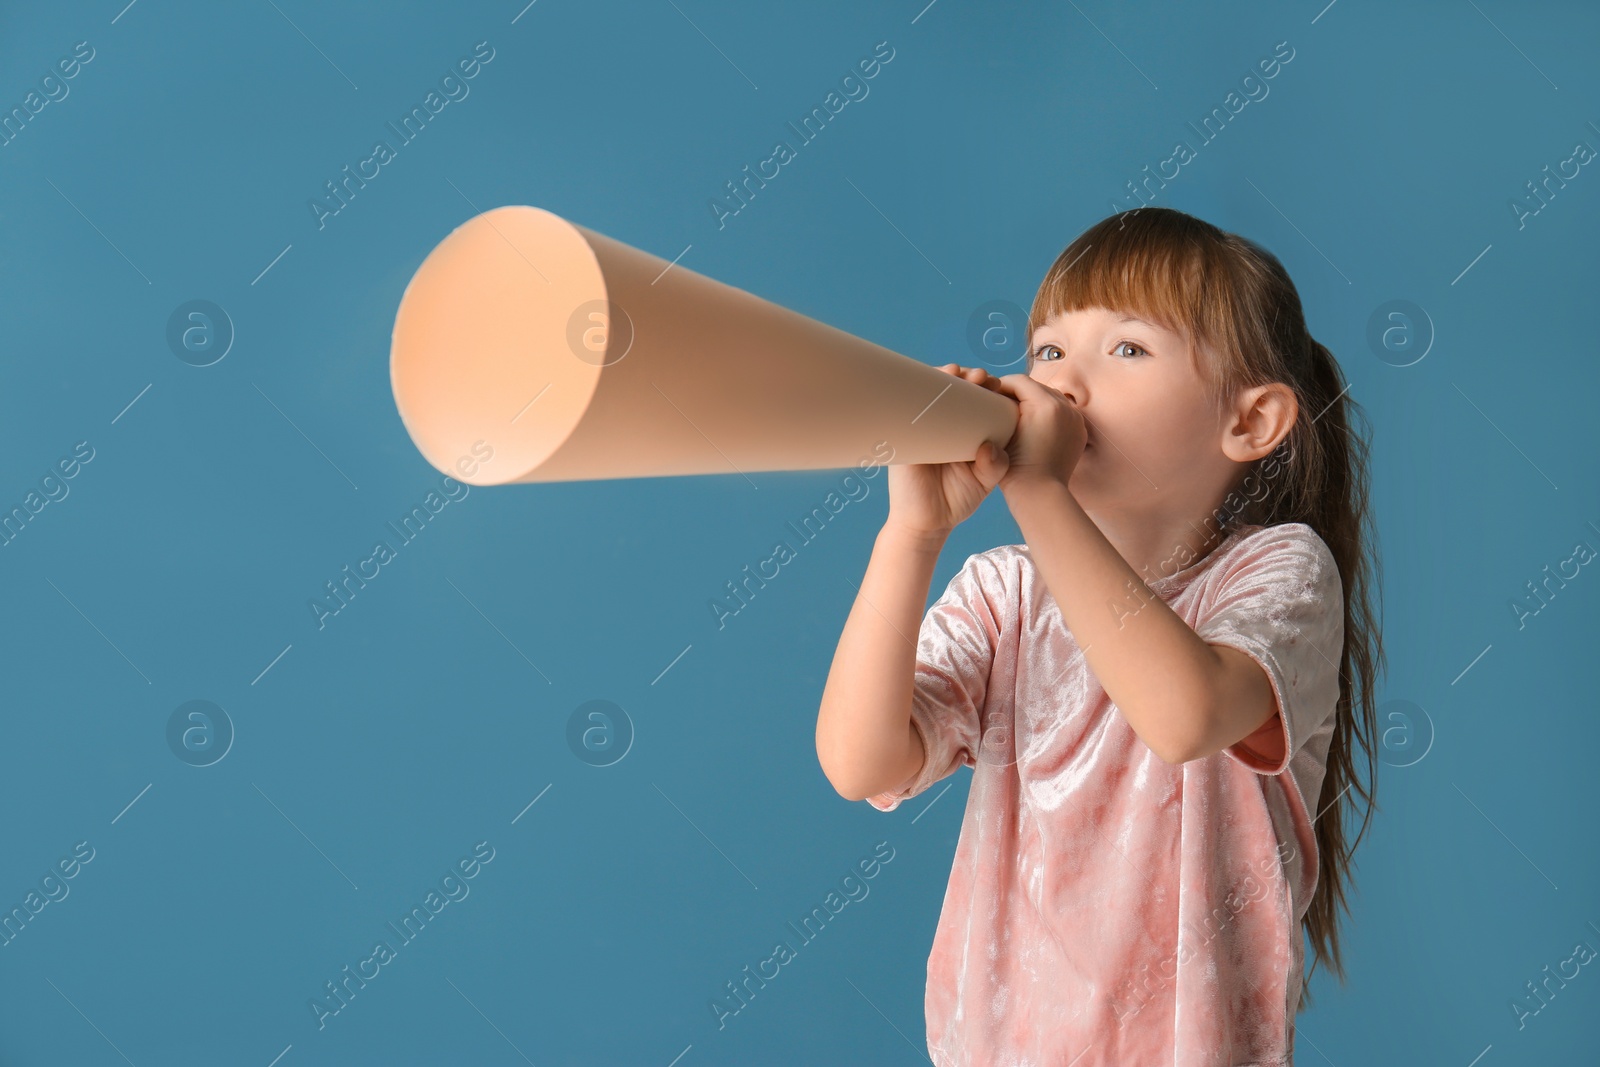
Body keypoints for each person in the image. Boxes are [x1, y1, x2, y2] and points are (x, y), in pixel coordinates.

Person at [815, 207, 1384, 1065]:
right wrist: (911, 537)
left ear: (1251, 421)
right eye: (1047, 349)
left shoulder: (1276, 573)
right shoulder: (1008, 592)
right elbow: (862, 762)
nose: (1062, 384)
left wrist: (1040, 494)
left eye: (1126, 348)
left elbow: (1182, 712)